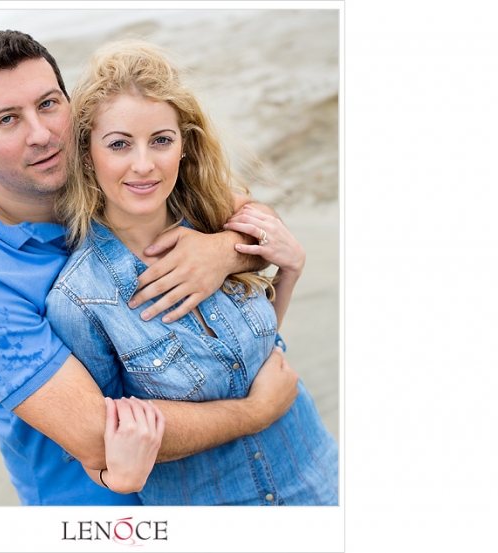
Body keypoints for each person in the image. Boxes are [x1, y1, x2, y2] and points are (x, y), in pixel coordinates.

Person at [0, 29, 301, 506]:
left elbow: (248, 215)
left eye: (48, 104)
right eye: (7, 120)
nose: (40, 134)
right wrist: (257, 412)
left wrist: (223, 252)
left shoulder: (96, 168)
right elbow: (97, 434)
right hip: (98, 508)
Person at [46, 38, 338, 505]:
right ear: (86, 155)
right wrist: (255, 412)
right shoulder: (80, 299)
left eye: (161, 140)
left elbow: (258, 355)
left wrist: (288, 273)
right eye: (119, 144)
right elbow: (103, 446)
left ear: (183, 145)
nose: (144, 165)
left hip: (316, 473)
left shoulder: (214, 217)